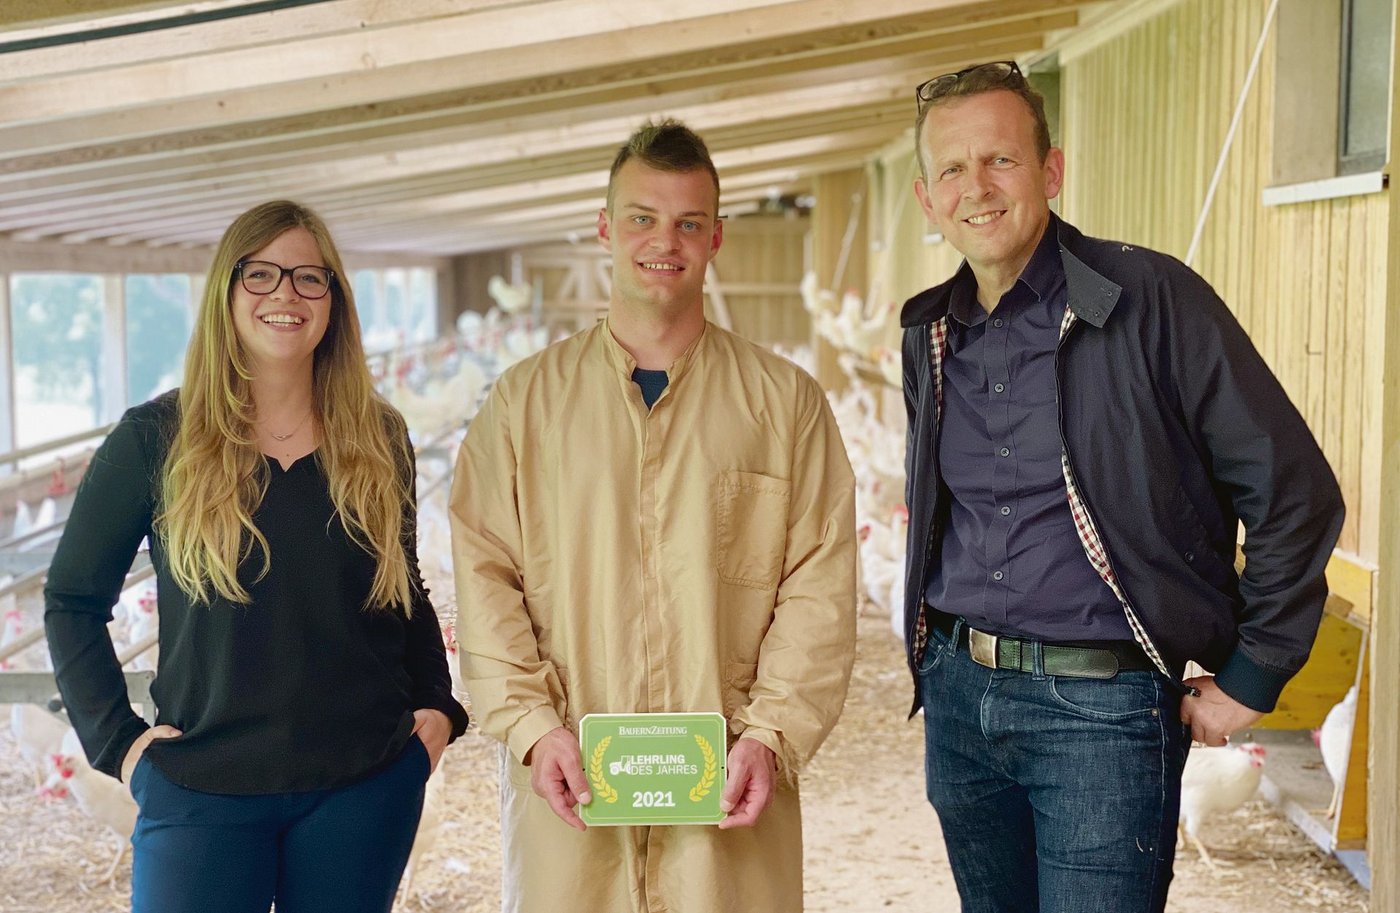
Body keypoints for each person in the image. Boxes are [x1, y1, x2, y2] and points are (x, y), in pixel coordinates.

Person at [898, 61, 1344, 912]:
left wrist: (1255, 674)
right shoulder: (928, 329)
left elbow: (1294, 491)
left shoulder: (1151, 300)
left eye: (1001, 160)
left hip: (1099, 710)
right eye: (951, 168)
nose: (976, 187)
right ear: (927, 198)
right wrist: (930, 658)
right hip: (962, 703)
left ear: (1051, 171)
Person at [449, 119, 857, 913]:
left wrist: (771, 733)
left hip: (729, 793)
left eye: (687, 223)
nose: (662, 241)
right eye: (641, 217)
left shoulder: (784, 406)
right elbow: (484, 573)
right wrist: (533, 726)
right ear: (605, 228)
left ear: (716, 239)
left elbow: (821, 584)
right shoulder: (525, 405)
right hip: (572, 788)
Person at [44, 200, 469, 913]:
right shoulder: (156, 440)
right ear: (227, 291)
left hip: (360, 785)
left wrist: (437, 708)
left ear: (334, 298)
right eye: (262, 274)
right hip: (201, 785)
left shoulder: (378, 436)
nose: (285, 295)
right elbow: (72, 601)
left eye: (309, 278)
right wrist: (119, 743)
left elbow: (403, 590)